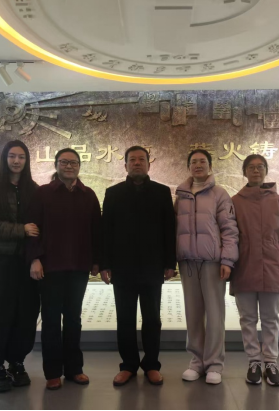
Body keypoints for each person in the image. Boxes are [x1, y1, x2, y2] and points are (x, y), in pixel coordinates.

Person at [100, 146, 176, 387]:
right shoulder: (113, 193)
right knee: (125, 319)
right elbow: (105, 231)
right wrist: (105, 264)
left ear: (148, 164)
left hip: (153, 266)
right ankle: (128, 365)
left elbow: (169, 229)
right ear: (125, 165)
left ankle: (152, 364)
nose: (136, 163)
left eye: (141, 159)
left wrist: (170, 263)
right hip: (122, 268)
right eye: (132, 160)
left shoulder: (162, 192)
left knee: (152, 318)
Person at [27, 148, 101, 391]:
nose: (69, 166)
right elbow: (32, 229)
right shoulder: (43, 193)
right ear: (56, 165)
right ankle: (52, 372)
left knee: (73, 319)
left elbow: (96, 231)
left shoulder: (88, 195)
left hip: (78, 267)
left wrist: (96, 261)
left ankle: (74, 369)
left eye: (73, 162)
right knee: (50, 320)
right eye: (64, 162)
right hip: (50, 268)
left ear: (79, 166)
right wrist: (35, 258)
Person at [0, 140, 40, 394]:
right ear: (5, 158)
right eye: (12, 156)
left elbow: (41, 226)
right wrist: (20, 230)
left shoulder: (33, 190)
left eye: (21, 157)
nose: (16, 161)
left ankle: (16, 361)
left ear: (26, 161)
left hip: (26, 263)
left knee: (25, 315)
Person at [231, 155, 279, 387]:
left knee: (271, 318)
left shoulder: (278, 201)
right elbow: (228, 236)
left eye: (260, 167)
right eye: (251, 167)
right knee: (247, 318)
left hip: (272, 266)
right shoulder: (235, 202)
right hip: (244, 265)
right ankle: (253, 362)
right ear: (244, 172)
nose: (256, 171)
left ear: (266, 171)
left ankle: (270, 362)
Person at [175, 150, 239, 385]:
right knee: (193, 314)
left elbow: (229, 229)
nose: (198, 165)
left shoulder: (220, 194)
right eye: (194, 162)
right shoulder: (181, 195)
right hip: (188, 264)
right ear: (189, 167)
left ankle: (214, 364)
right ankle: (196, 362)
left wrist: (227, 260)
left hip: (212, 263)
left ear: (210, 166)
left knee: (214, 314)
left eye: (202, 161)